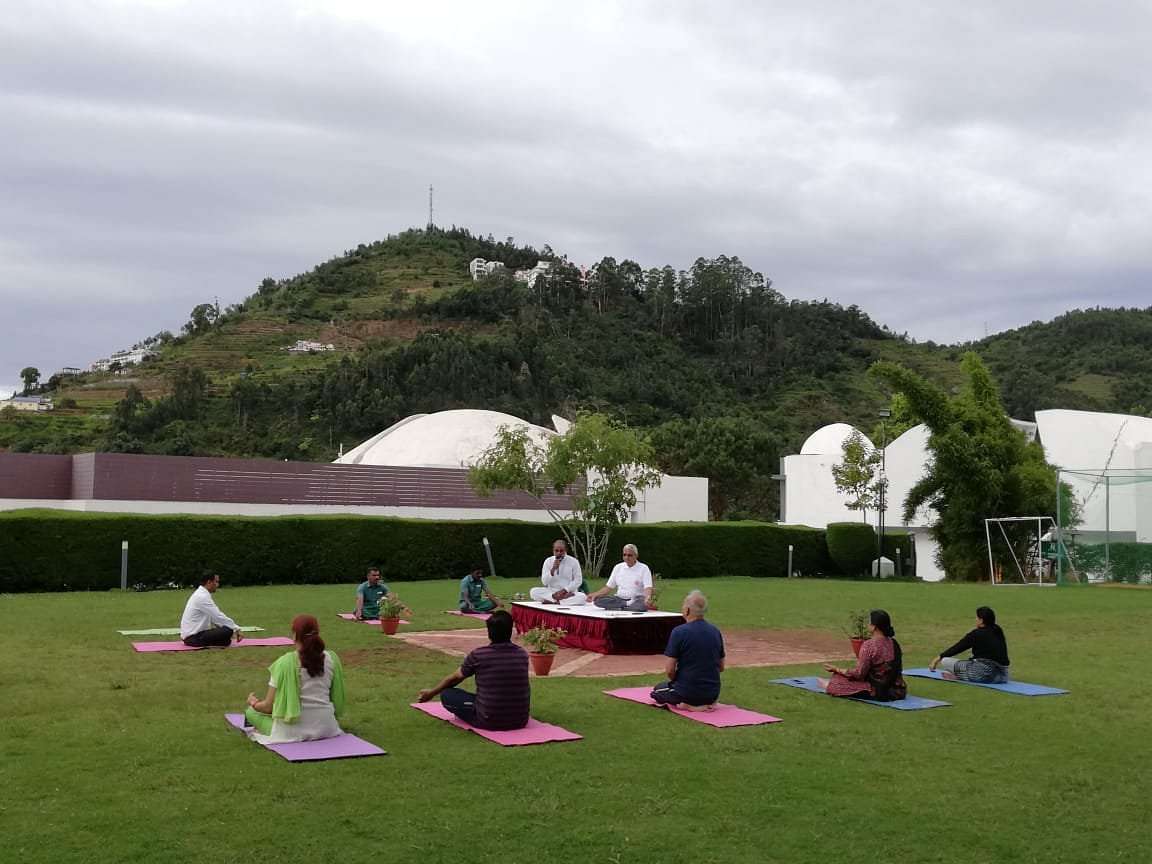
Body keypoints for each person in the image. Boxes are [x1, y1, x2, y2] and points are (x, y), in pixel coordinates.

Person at [417, 610, 529, 730]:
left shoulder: (479, 655)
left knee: (447, 694)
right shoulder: (522, 654)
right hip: (520, 720)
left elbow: (454, 678)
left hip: (489, 720)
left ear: (489, 632)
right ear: (510, 630)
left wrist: (431, 693)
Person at [244, 614, 346, 743]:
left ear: (294, 635)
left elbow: (268, 707)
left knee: (250, 713)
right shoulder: (332, 659)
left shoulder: (284, 663)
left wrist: (253, 703)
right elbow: (336, 698)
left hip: (291, 731)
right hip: (326, 727)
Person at [650, 590, 725, 711]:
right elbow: (721, 667)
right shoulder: (715, 631)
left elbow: (669, 670)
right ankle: (703, 703)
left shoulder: (679, 632)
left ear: (687, 610)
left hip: (687, 692)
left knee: (657, 691)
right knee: (665, 687)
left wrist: (678, 681)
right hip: (712, 693)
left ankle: (690, 706)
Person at [818, 609, 907, 701]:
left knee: (837, 681)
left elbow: (859, 674)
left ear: (874, 627)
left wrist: (837, 669)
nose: (868, 625)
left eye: (869, 623)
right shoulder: (894, 643)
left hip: (879, 691)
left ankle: (829, 685)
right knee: (842, 677)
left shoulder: (869, 645)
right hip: (899, 690)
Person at [929, 606, 1010, 683]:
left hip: (984, 674)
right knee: (972, 664)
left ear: (981, 620)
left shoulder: (977, 634)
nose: (975, 619)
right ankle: (963, 675)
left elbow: (958, 647)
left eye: (977, 618)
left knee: (945, 661)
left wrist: (939, 658)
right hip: (1003, 676)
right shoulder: (997, 629)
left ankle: (959, 677)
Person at [180, 573, 244, 647]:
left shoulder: (201, 594)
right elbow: (218, 616)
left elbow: (214, 618)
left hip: (193, 637)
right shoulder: (202, 597)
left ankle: (222, 641)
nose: (218, 585)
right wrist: (236, 629)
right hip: (193, 638)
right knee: (228, 630)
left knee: (226, 635)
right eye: (216, 582)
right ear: (209, 582)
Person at [587, 544, 652, 611]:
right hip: (619, 598)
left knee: (642, 605)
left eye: (629, 555)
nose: (626, 557)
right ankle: (626, 605)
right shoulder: (618, 567)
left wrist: (647, 598)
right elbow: (608, 587)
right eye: (624, 555)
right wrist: (595, 594)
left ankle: (618, 607)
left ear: (636, 556)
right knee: (598, 600)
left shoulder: (644, 568)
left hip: (636, 599)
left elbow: (648, 587)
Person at [530, 539, 586, 605]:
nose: (559, 553)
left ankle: (554, 601)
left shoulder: (574, 561)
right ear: (553, 550)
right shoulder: (548, 561)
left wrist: (565, 590)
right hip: (552, 592)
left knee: (582, 597)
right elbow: (544, 582)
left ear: (565, 550)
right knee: (533, 592)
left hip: (568, 592)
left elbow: (578, 580)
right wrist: (553, 570)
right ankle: (559, 600)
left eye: (561, 551)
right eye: (556, 551)